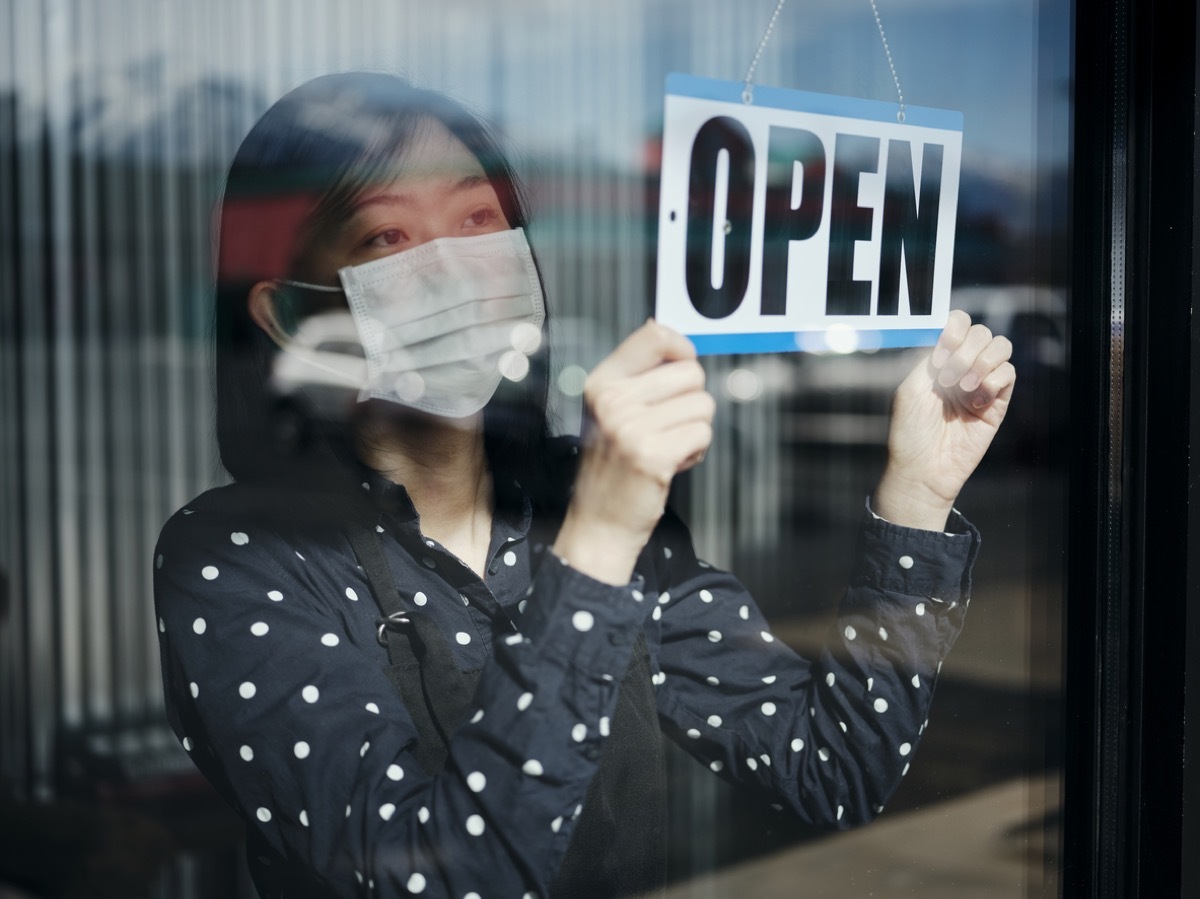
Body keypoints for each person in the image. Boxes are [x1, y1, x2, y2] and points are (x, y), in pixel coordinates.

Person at [153, 72, 1015, 899]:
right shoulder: (237, 557)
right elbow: (448, 882)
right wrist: (598, 540)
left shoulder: (573, 495)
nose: (456, 269)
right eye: (388, 237)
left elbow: (833, 769)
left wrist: (915, 495)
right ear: (287, 311)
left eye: (478, 218)